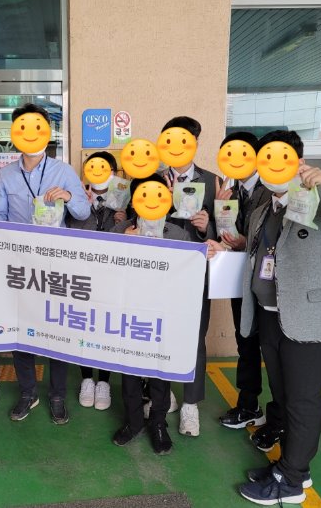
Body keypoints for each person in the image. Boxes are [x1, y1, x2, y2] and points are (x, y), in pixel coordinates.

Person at [218, 130, 321, 505]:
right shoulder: (262, 210)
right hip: (270, 318)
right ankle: (293, 468)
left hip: (308, 319)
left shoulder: (320, 201)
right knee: (284, 396)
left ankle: (290, 481)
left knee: (302, 402)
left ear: (298, 161)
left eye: (281, 157)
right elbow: (257, 256)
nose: (272, 166)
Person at [0, 103, 90, 425]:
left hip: (56, 264)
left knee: (56, 331)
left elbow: (82, 213)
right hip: (19, 263)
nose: (29, 133)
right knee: (21, 329)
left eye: (36, 126)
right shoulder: (6, 175)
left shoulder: (63, 171)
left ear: (47, 132)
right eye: (22, 127)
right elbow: (0, 216)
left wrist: (68, 197)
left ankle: (57, 395)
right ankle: (28, 392)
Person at [110, 173, 192, 455]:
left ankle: (158, 423)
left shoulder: (178, 234)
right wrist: (122, 244)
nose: (152, 200)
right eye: (144, 194)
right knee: (130, 370)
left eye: (159, 194)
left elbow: (190, 275)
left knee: (160, 372)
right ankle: (133, 422)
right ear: (133, 201)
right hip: (128, 312)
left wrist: (205, 254)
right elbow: (101, 268)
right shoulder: (119, 231)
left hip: (164, 315)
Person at [160, 116, 217, 437]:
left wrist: (207, 226)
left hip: (196, 273)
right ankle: (164, 393)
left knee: (195, 338)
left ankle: (190, 405)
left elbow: (229, 230)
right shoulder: (152, 178)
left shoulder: (212, 181)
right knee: (161, 333)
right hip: (160, 273)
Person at [214, 132, 272, 430]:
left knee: (273, 348)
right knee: (245, 340)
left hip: (271, 284)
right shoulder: (230, 190)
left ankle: (279, 417)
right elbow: (226, 234)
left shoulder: (272, 188)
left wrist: (244, 242)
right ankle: (249, 405)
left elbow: (274, 236)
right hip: (240, 280)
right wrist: (220, 207)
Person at [66, 151, 126, 410]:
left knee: (107, 327)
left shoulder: (126, 199)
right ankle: (87, 379)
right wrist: (83, 209)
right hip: (83, 274)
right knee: (84, 325)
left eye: (106, 168)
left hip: (113, 276)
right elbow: (68, 230)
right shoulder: (76, 198)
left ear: (114, 173)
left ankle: (104, 381)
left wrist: (121, 221)